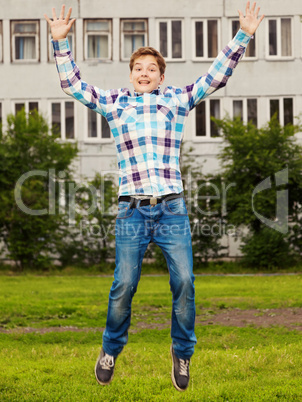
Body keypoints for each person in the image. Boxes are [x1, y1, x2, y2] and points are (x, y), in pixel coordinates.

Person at [45, 2, 264, 392]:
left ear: (161, 77)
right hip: (131, 210)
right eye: (138, 69)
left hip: (171, 209)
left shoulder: (176, 100)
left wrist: (243, 35)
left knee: (184, 283)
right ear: (131, 76)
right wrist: (60, 43)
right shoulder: (116, 103)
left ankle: (181, 354)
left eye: (151, 69)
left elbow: (215, 78)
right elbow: (74, 86)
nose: (144, 73)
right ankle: (110, 348)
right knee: (124, 286)